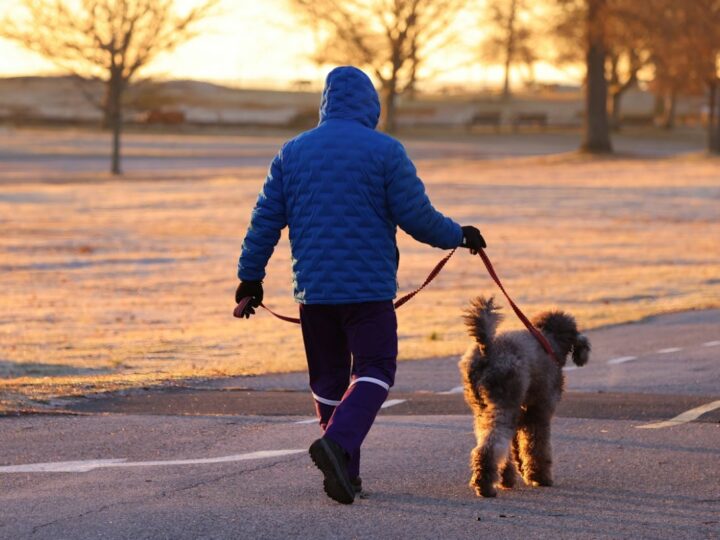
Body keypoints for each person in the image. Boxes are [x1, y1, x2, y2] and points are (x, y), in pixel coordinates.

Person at [235, 66, 486, 504]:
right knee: (375, 369)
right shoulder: (386, 151)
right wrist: (459, 235)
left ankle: (346, 473)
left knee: (329, 381)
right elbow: (417, 217)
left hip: (314, 291)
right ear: (371, 105)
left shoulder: (291, 153)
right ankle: (337, 445)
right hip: (368, 291)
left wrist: (249, 280)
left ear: (326, 103)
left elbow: (265, 222)